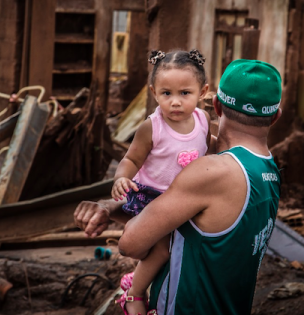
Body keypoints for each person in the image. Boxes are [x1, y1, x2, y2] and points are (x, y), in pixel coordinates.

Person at [74, 59, 283, 315]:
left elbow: (131, 244)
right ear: (275, 117)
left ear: (215, 104)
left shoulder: (211, 172)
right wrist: (108, 208)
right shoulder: (268, 170)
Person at [111, 49, 212, 315]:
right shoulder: (152, 127)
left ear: (202, 92)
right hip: (152, 198)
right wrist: (122, 177)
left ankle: (145, 280)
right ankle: (133, 296)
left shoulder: (203, 120)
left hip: (185, 198)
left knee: (185, 246)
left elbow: (206, 150)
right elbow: (131, 159)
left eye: (185, 93)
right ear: (154, 92)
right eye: (166, 93)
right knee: (163, 250)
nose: (175, 102)